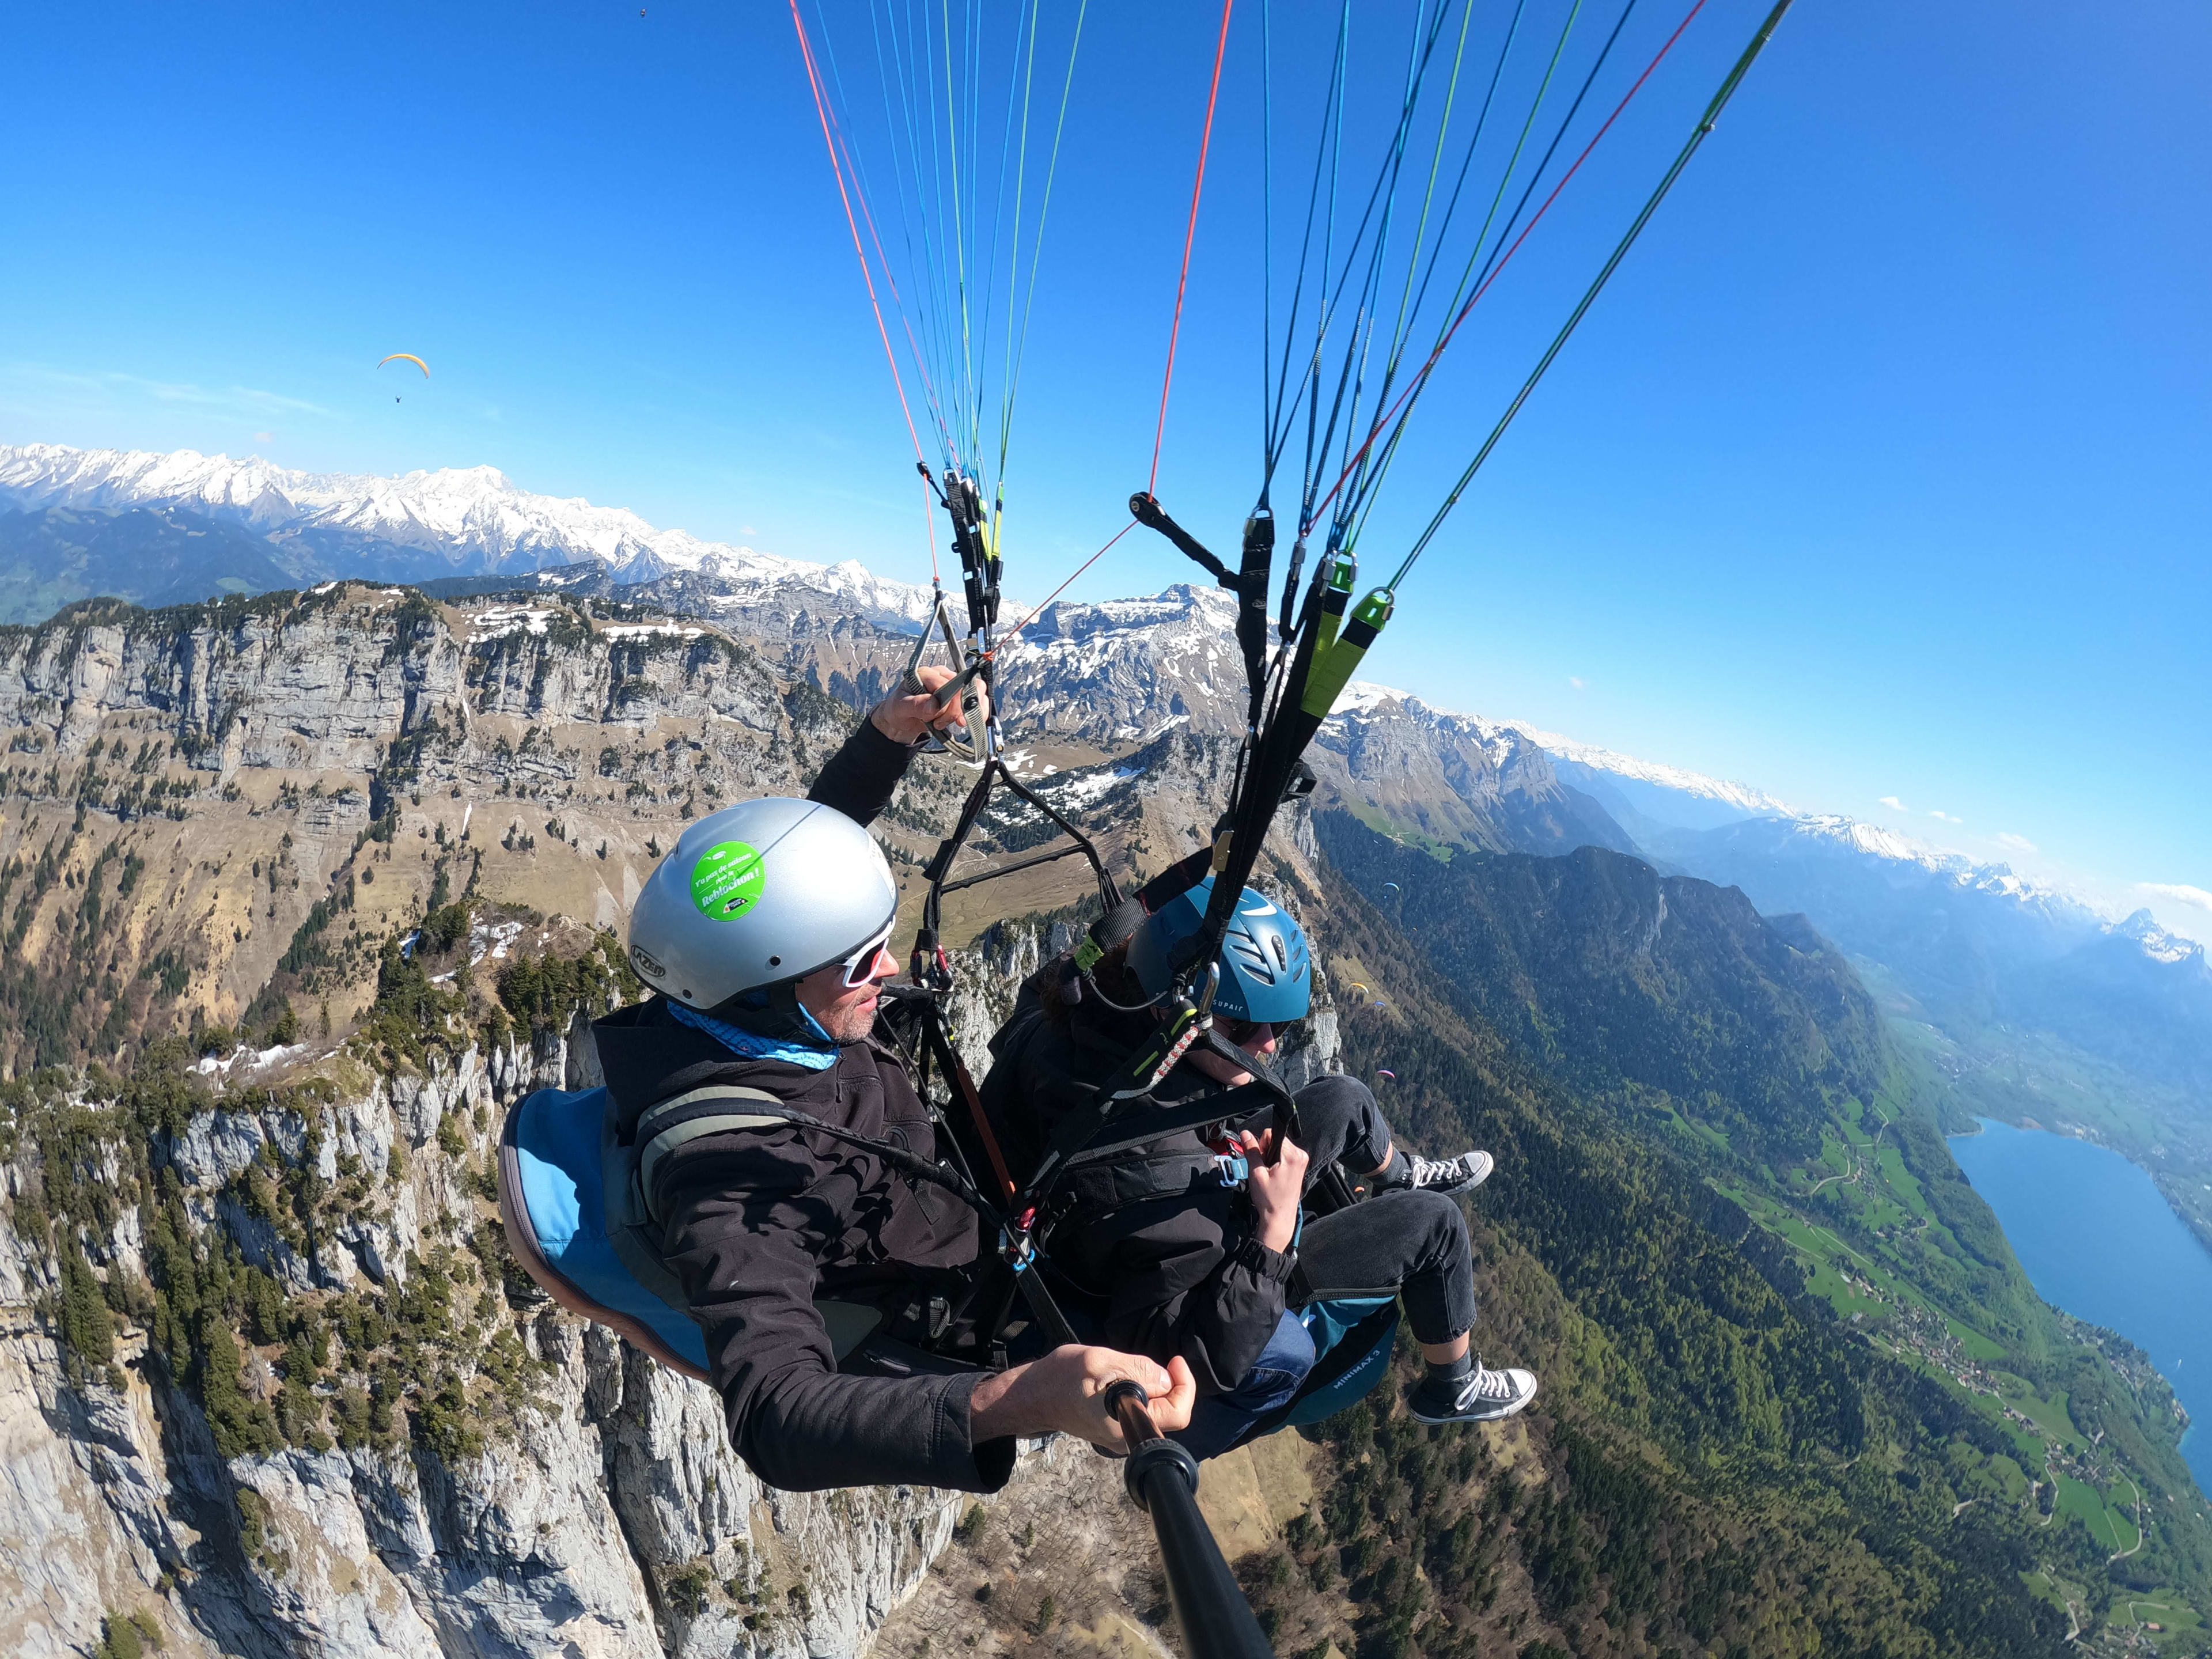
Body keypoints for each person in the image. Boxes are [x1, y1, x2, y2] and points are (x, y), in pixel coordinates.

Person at [599, 669, 1195, 1494]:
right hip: (965, 1290)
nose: (886, 969)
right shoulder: (732, 1174)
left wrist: (888, 736)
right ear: (771, 985)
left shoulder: (722, 991)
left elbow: (800, 861)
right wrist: (1023, 1397)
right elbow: (776, 1416)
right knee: (1221, 1328)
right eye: (858, 962)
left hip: (951, 1171)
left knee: (1120, 962)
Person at [980, 875, 1538, 1453]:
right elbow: (1194, 1361)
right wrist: (1272, 1235)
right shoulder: (1156, 1177)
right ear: (1175, 1008)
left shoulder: (1080, 1009)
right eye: (1241, 1028)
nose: (1268, 1044)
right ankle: (1456, 1386)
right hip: (1226, 1289)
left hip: (1160, 1203)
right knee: (1437, 1226)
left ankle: (1400, 1173)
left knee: (1343, 1098)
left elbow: (1064, 973)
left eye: (1277, 1025)